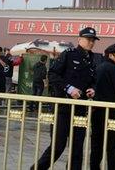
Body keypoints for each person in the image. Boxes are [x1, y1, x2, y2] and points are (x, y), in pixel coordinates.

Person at [31, 27, 98, 170]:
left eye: (93, 40)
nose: (91, 43)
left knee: (77, 149)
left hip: (80, 109)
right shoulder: (69, 54)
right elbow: (53, 74)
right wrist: (69, 88)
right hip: (63, 107)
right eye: (88, 39)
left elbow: (93, 80)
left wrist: (93, 89)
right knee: (57, 146)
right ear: (79, 39)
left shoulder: (92, 58)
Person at [90, 44, 115, 170]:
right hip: (110, 112)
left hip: (96, 111)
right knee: (113, 146)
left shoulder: (99, 67)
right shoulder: (114, 69)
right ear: (110, 55)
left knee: (97, 145)